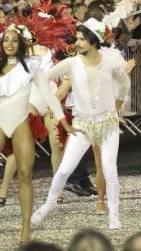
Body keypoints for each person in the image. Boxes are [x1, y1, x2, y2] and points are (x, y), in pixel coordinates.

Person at [33, 18, 132, 231]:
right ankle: (48, 204)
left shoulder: (109, 61)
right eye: (76, 38)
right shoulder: (71, 63)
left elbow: (124, 82)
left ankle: (114, 214)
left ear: (94, 41)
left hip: (107, 124)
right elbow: (42, 78)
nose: (76, 43)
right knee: (64, 170)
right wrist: (57, 113)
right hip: (82, 125)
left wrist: (117, 106)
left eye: (80, 39)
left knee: (109, 170)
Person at [1, 22, 72, 242]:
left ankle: (25, 231)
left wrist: (64, 122)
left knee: (25, 175)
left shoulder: (32, 66)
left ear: (21, 43)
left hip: (21, 122)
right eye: (6, 40)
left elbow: (49, 96)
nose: (10, 44)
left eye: (14, 40)